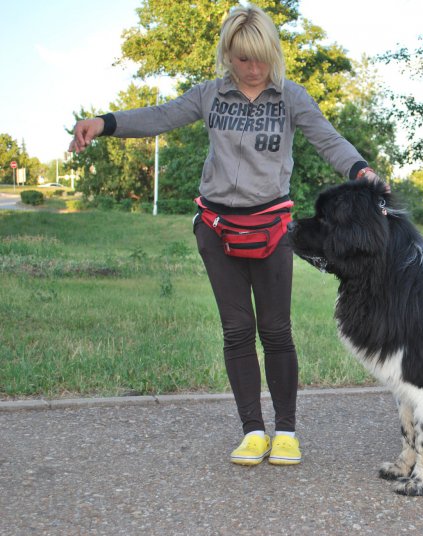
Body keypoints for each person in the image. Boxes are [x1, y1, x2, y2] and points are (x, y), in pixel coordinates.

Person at [69, 5, 382, 467]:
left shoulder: (290, 98)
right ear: (228, 55)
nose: (252, 69)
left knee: (276, 331)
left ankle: (287, 432)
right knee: (237, 331)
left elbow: (329, 140)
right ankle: (253, 431)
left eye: (260, 59)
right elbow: (162, 115)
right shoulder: (210, 96)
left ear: (272, 54)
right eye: (241, 59)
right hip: (217, 228)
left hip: (272, 228)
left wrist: (362, 170)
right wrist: (106, 122)